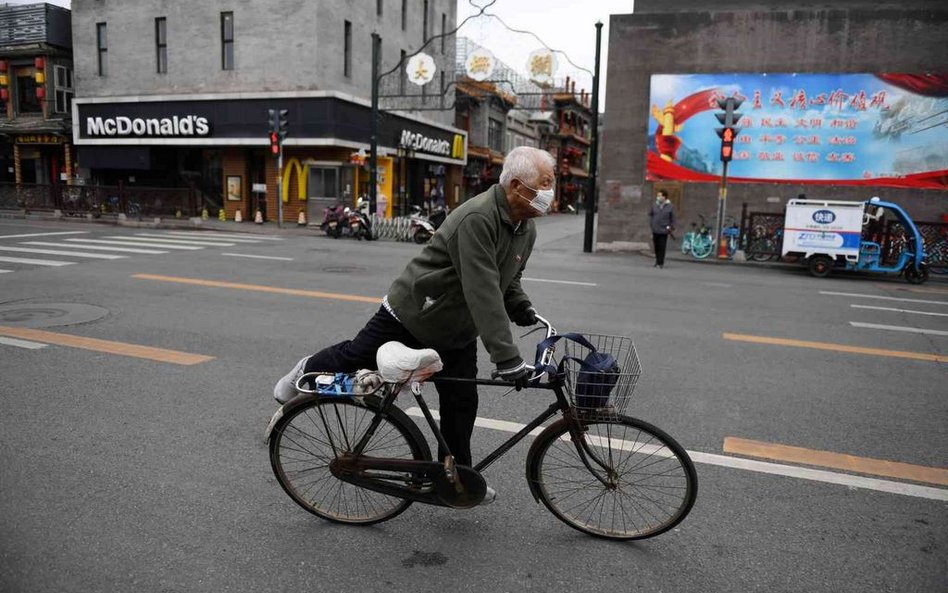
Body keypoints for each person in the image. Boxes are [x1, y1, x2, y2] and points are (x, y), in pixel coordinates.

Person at [272, 146, 556, 504]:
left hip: (457, 329)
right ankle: (306, 370)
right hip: (414, 311)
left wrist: (522, 307)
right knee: (358, 356)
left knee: (461, 404)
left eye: (552, 182)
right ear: (516, 186)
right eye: (545, 183)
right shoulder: (478, 218)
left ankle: (456, 479)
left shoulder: (524, 228)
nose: (551, 191)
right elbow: (482, 289)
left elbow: (507, 279)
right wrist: (507, 358)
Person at [649, 189, 675, 268]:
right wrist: (652, 224)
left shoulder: (670, 206)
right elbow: (650, 214)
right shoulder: (654, 205)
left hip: (664, 230)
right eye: (658, 196)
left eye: (660, 196)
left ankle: (661, 262)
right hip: (655, 229)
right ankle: (657, 260)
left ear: (664, 197)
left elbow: (672, 218)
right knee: (656, 246)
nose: (658, 197)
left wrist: (670, 227)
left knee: (662, 246)